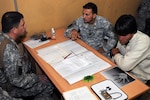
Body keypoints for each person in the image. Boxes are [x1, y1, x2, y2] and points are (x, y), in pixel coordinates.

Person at [0, 11, 54, 99]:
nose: (25, 26)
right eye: (22, 25)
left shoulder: (2, 37)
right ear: (14, 30)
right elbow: (18, 81)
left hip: (8, 80)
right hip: (9, 88)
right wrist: (37, 77)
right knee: (47, 83)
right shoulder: (10, 50)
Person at [111, 14, 150, 84]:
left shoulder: (144, 41)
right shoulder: (123, 35)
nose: (120, 38)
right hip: (124, 69)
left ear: (133, 32)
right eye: (119, 34)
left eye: (124, 35)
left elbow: (124, 66)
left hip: (140, 75)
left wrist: (116, 54)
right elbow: (116, 57)